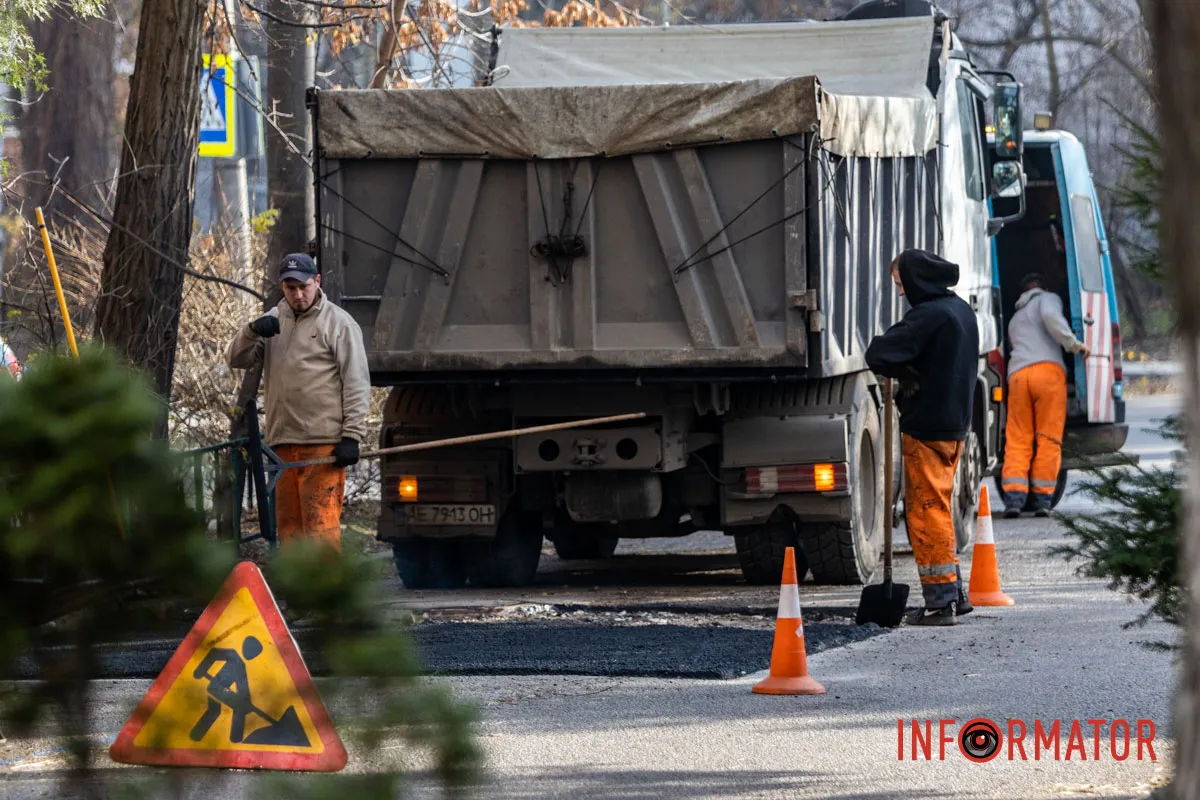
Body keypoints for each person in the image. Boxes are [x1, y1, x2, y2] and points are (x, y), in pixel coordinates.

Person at [866, 249, 980, 626]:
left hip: (926, 427)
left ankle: (939, 602)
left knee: (925, 513)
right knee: (941, 508)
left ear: (916, 280)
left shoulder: (927, 316)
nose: (900, 293)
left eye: (901, 284)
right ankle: (955, 594)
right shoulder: (961, 311)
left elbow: (878, 352)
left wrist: (904, 368)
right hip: (955, 426)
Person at [227, 253, 371, 552]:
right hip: (282, 445)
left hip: (323, 446)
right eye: (290, 288)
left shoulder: (339, 324)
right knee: (290, 530)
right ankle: (298, 596)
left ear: (317, 281)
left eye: (304, 286)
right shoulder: (272, 322)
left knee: (320, 529)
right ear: (282, 287)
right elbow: (236, 359)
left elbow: (356, 383)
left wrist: (352, 436)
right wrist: (251, 331)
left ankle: (326, 596)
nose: (298, 294)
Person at [999, 273, 1089, 518]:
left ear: (1021, 292)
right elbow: (1051, 318)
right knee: (1048, 437)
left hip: (1018, 376)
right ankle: (1041, 499)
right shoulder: (1047, 299)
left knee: (1018, 437)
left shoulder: (1016, 317)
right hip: (1047, 374)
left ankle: (1014, 498)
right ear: (1043, 286)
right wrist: (1074, 344)